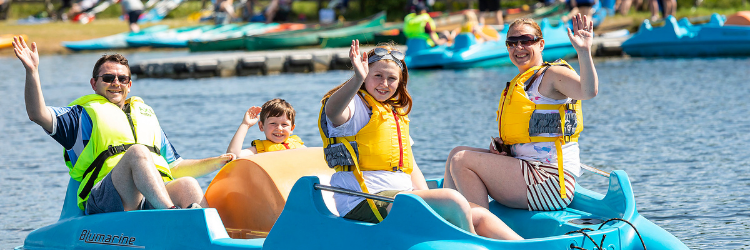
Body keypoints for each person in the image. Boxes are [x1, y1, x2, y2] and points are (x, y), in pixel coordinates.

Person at [317, 40, 522, 240]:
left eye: (391, 79)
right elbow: (334, 112)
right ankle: (471, 245)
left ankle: (527, 247)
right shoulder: (355, 107)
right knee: (452, 199)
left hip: (399, 197)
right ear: (365, 75)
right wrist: (356, 79)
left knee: (476, 212)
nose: (384, 83)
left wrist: (427, 199)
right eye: (377, 75)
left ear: (400, 83)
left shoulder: (393, 113)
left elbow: (410, 164)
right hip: (365, 201)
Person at [12, 37, 236, 215]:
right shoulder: (80, 117)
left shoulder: (145, 115)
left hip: (150, 197)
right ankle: (172, 216)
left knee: (187, 184)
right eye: (108, 78)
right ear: (94, 83)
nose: (115, 83)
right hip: (106, 198)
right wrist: (32, 72)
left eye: (122, 79)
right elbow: (37, 114)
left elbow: (175, 167)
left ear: (129, 85)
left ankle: (209, 237)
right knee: (138, 152)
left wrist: (218, 162)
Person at [443, 14, 598, 212]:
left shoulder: (552, 74)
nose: (518, 47)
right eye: (512, 43)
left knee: (461, 160)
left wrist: (584, 51)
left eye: (525, 41)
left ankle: (479, 229)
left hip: (551, 183)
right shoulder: (524, 81)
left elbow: (588, 91)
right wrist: (507, 148)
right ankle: (450, 218)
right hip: (529, 171)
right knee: (455, 153)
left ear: (541, 44)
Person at [226, 98, 305, 158]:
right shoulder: (258, 150)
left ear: (292, 128)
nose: (279, 128)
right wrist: (245, 125)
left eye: (284, 124)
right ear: (261, 126)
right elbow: (234, 155)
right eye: (273, 123)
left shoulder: (299, 146)